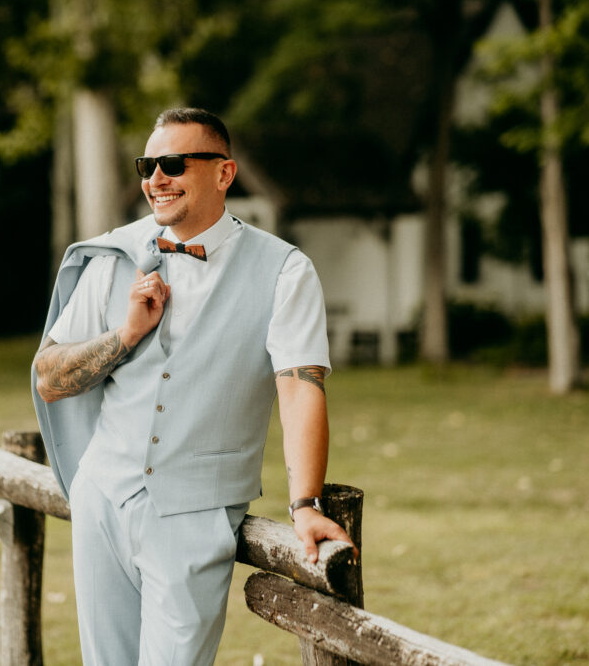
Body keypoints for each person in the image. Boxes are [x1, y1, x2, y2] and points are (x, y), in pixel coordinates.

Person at [31, 107, 357, 665]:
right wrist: (125, 335)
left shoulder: (285, 270)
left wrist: (305, 503)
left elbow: (301, 387)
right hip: (103, 498)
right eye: (147, 165)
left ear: (224, 173)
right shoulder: (113, 257)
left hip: (197, 515)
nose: (156, 178)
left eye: (175, 164)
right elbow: (49, 379)